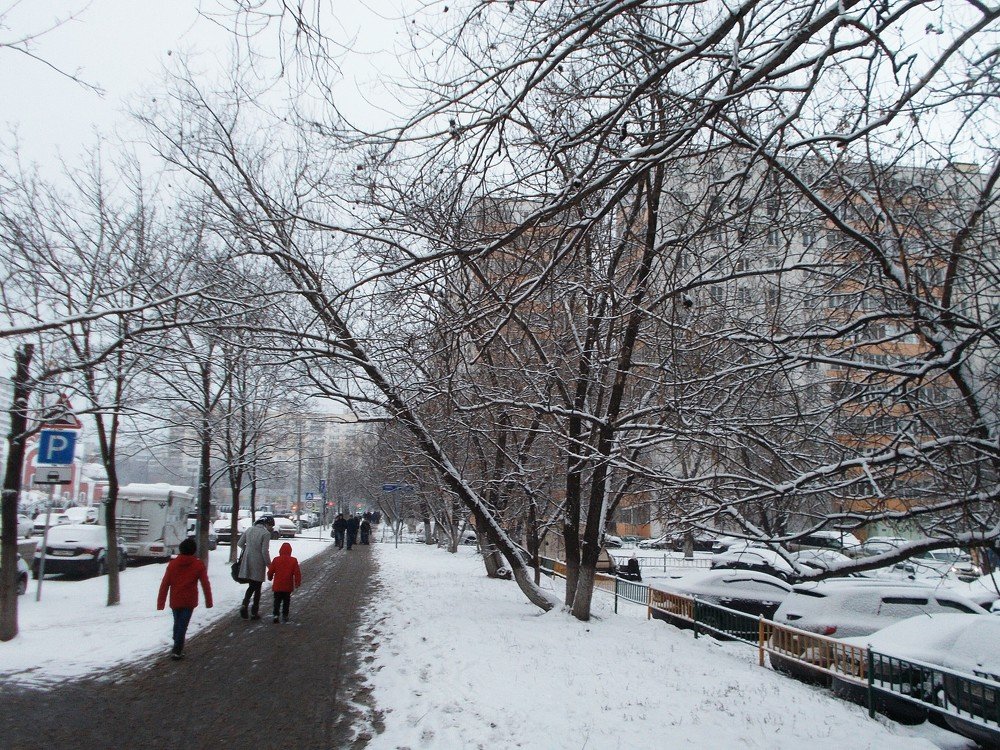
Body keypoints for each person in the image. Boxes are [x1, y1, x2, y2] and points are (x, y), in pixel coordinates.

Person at [156, 537, 213, 660]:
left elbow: (165, 584)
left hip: (175, 599)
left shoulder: (173, 564)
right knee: (183, 624)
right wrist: (208, 601)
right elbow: (205, 583)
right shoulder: (198, 564)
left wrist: (161, 602)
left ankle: (176, 640)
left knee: (178, 622)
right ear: (193, 550)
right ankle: (177, 649)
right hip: (189, 600)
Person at [237, 515, 274, 620]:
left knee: (252, 585)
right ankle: (254, 611)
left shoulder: (249, 530)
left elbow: (240, 543)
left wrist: (249, 549)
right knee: (257, 587)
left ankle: (245, 605)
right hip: (258, 563)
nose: (271, 528)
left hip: (247, 561)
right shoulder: (265, 534)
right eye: (271, 526)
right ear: (266, 524)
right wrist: (269, 565)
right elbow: (264, 551)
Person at [267, 541, 302, 623]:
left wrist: (270, 577)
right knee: (286, 601)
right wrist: (297, 582)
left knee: (277, 601)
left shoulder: (276, 559)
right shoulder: (293, 560)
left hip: (277, 586)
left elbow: (271, 571)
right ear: (290, 551)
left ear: (280, 550)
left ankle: (276, 615)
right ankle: (285, 615)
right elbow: (297, 573)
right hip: (287, 586)